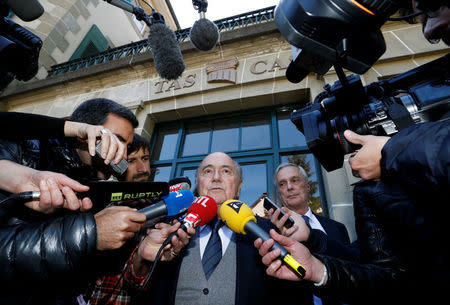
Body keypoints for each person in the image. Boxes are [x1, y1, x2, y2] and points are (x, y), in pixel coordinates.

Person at [254, 1, 450, 304]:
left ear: (308, 185)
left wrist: (390, 152)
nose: (430, 28)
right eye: (421, 16)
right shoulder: (371, 193)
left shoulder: (395, 155)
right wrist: (318, 266)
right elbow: (389, 277)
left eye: (432, 8)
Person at [0, 98, 148, 304]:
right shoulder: (23, 148)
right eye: (117, 140)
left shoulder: (94, 185)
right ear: (86, 133)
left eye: (127, 145)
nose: (122, 153)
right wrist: (89, 232)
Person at [124, 152, 313, 305]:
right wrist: (141, 259)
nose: (215, 178)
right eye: (207, 171)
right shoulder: (170, 229)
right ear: (198, 184)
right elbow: (136, 289)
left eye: (226, 171)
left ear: (238, 187)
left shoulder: (268, 232)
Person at [0, 111, 127, 213]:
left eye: (128, 148)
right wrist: (77, 128)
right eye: (116, 140)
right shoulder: (32, 145)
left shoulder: (85, 181)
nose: (123, 153)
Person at [270, 163, 353, 305]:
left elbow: (351, 267)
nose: (289, 187)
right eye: (282, 184)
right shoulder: (273, 233)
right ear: (280, 194)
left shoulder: (337, 228)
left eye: (295, 180)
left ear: (307, 186)